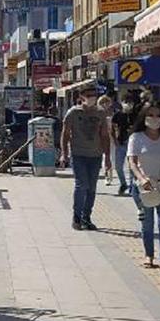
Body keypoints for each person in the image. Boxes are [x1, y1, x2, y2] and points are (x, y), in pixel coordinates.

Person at [60, 87, 112, 231]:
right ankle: (76, 217)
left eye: (94, 96)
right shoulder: (73, 113)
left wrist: (107, 157)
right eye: (88, 96)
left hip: (95, 155)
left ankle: (86, 217)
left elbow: (105, 136)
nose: (92, 98)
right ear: (82, 97)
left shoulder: (100, 113)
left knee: (91, 188)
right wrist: (64, 154)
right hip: (79, 154)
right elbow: (65, 134)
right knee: (81, 185)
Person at [127, 103, 160, 275]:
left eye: (158, 115)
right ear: (144, 116)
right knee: (147, 223)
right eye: (151, 115)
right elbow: (132, 162)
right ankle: (149, 254)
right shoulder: (137, 137)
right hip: (143, 187)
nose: (155, 119)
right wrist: (141, 179)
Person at [112, 94, 136, 195]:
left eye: (130, 102)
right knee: (118, 166)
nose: (128, 104)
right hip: (121, 143)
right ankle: (123, 183)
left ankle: (131, 187)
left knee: (132, 167)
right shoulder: (117, 115)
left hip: (133, 144)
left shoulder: (136, 115)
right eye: (126, 102)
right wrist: (114, 140)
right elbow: (112, 128)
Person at [98, 95, 115, 186]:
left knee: (111, 157)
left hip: (111, 138)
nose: (105, 104)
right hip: (101, 138)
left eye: (107, 102)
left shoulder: (113, 113)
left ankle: (109, 175)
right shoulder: (97, 113)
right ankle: (106, 175)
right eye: (102, 102)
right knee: (104, 158)